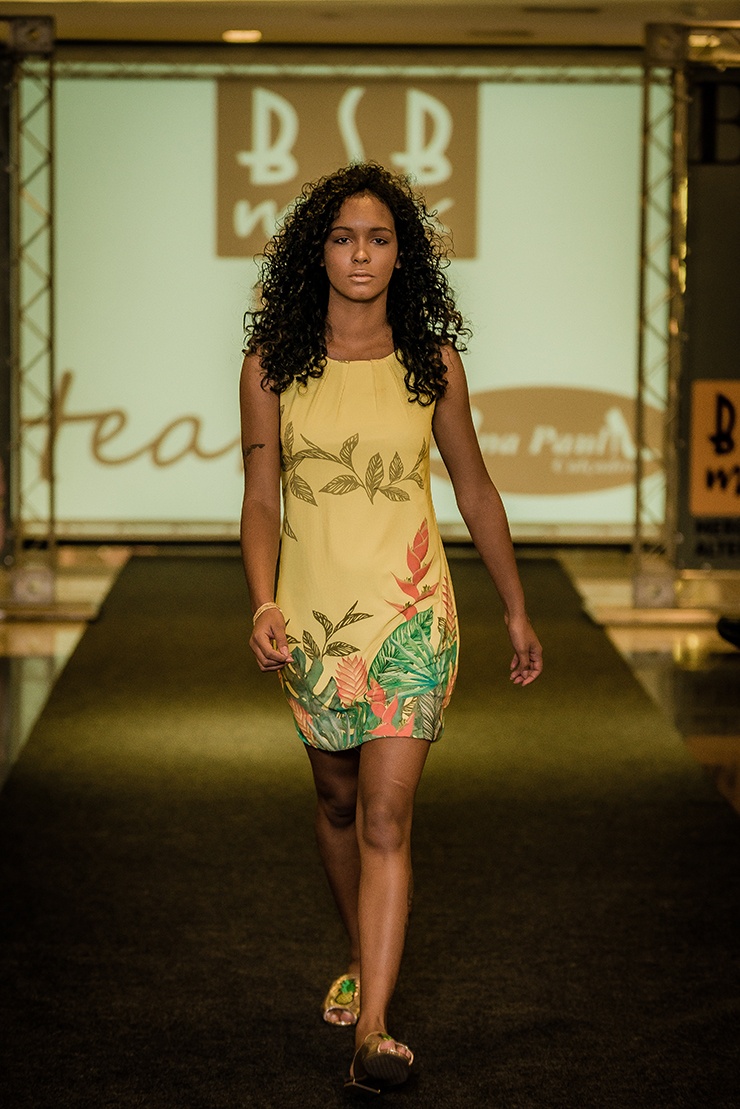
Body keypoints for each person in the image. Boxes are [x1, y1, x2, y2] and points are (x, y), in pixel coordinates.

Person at [239, 162, 542, 1094]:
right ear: (317, 252)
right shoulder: (272, 365)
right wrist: (262, 601)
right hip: (313, 623)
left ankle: (373, 1027)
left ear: (403, 254)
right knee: (337, 800)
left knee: (383, 812)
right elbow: (259, 497)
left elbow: (476, 489)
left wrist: (515, 606)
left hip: (413, 617)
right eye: (343, 238)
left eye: (378, 238)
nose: (361, 254)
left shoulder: (431, 362)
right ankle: (358, 953)